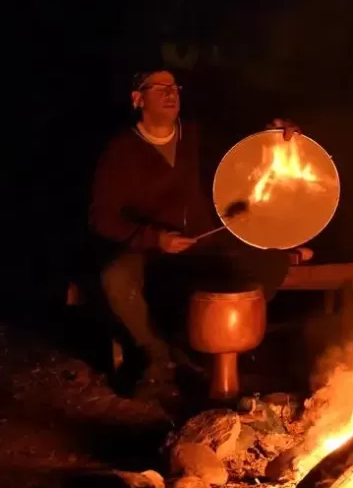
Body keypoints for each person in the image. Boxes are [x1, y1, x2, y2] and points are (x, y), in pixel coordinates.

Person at [91, 69, 308, 385]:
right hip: (152, 251)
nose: (171, 94)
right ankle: (158, 356)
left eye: (174, 87)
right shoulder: (121, 151)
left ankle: (222, 347)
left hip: (206, 246)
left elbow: (247, 150)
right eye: (159, 88)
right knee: (115, 277)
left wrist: (274, 134)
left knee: (269, 261)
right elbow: (101, 217)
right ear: (138, 99)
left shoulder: (197, 137)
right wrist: (153, 238)